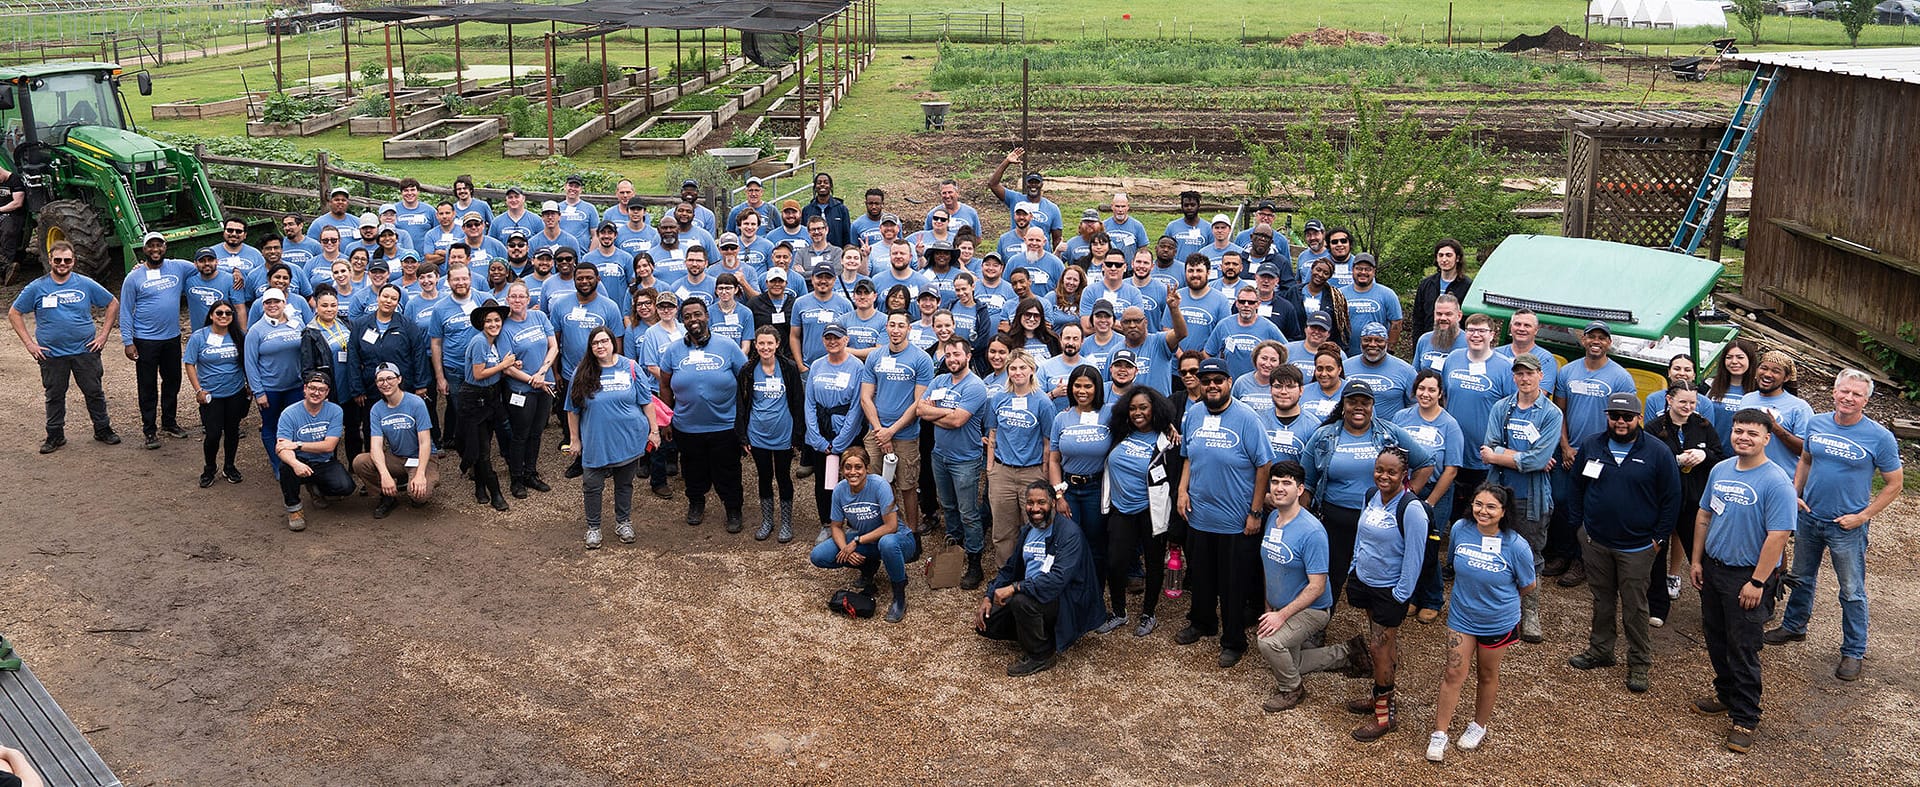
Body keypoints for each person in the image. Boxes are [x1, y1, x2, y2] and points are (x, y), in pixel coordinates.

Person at [1768, 368, 1904, 682]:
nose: (1848, 398)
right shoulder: (1816, 423)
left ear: (1866, 400)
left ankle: (1854, 651)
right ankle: (1794, 627)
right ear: (1834, 392)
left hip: (1847, 526)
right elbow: (1805, 459)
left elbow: (1894, 483)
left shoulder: (1879, 437)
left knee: (1852, 591)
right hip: (1810, 517)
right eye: (1844, 391)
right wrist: (1795, 492)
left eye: (1857, 394)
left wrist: (1864, 516)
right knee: (1801, 577)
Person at [1693, 408, 1796, 753]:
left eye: (1752, 433)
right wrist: (1696, 560)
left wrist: (1757, 582)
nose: (1743, 438)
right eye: (1739, 431)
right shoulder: (1721, 469)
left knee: (1744, 646)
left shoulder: (1776, 480)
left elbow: (1778, 536)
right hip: (1714, 568)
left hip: (1747, 576)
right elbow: (1705, 514)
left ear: (1767, 438)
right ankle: (1725, 694)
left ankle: (1745, 717)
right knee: (1716, 637)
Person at [1565, 391, 1680, 694]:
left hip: (1638, 547)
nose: (1620, 421)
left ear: (1638, 418)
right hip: (1596, 541)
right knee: (1602, 600)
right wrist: (1579, 526)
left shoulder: (1657, 452)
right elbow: (1575, 485)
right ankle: (1601, 650)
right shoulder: (1592, 445)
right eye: (1614, 415)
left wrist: (1658, 539)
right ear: (1608, 417)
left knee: (1635, 607)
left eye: (1627, 416)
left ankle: (1639, 663)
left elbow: (1672, 500)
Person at [1175, 358, 1276, 668]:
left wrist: (1255, 512)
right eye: (1207, 381)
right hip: (1200, 512)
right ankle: (1203, 622)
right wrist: (1182, 490)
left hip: (1235, 518)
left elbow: (1264, 465)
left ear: (1230, 382)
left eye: (1219, 380)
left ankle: (1233, 639)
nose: (1212, 385)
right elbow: (1188, 456)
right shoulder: (1193, 414)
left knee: (1233, 584)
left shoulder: (1247, 418)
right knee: (1201, 574)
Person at [1427, 483, 1536, 761]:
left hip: (1497, 622)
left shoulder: (1517, 546)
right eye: (1478, 504)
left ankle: (1478, 725)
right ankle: (1439, 734)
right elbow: (1453, 564)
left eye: (1490, 507)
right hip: (1462, 618)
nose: (1482, 511)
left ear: (1503, 511)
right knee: (1453, 673)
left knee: (1487, 675)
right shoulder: (1461, 529)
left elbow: (1528, 584)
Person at [1301, 380, 1434, 600]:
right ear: (1343, 404)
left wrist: (1405, 500)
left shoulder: (1390, 434)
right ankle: (1320, 624)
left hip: (1380, 523)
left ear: (1373, 405)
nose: (1358, 407)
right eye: (1352, 402)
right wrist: (1304, 519)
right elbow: (1307, 482)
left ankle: (1378, 630)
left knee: (1376, 582)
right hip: (1335, 519)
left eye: (1365, 402)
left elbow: (1426, 463)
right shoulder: (1323, 435)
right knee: (1330, 575)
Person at [1255, 460, 1368, 713]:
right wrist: (1268, 604)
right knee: (1291, 660)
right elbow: (1269, 565)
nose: (1279, 488)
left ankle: (1292, 688)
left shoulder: (1312, 532)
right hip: (1280, 605)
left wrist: (1280, 616)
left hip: (1312, 610)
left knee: (1269, 643)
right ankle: (1348, 652)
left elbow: (1317, 587)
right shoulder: (1273, 517)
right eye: (1275, 482)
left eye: (1287, 483)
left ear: (1300, 489)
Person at [975, 480, 1106, 676]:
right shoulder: (1028, 530)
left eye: (1041, 502)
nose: (1035, 508)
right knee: (988, 623)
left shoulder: (1070, 534)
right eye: (1030, 503)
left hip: (1063, 598)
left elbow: (1057, 580)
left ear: (1053, 503)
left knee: (1021, 601)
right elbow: (1010, 568)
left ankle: (1041, 655)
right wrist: (989, 595)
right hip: (1033, 590)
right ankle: (1040, 632)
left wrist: (1015, 588)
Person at [1344, 446, 1430, 742]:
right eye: (1380, 469)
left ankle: (1384, 716)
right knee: (1380, 644)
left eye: (1392, 472)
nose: (1384, 476)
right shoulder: (1370, 496)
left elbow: (1414, 557)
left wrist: (1400, 594)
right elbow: (1360, 535)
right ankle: (1383, 697)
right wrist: (1354, 566)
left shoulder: (1412, 509)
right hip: (1366, 581)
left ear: (1404, 475)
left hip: (1389, 591)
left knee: (1380, 648)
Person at [1548, 321, 1639, 589]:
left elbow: (1623, 420)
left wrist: (1605, 453)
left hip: (1601, 454)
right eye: (1591, 337)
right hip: (1569, 450)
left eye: (1602, 337)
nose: (1596, 341)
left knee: (1591, 508)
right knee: (1561, 502)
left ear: (1609, 343)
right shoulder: (1567, 372)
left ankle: (1581, 560)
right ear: (1584, 340)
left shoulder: (1620, 377)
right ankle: (1560, 553)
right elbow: (1559, 413)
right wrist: (1564, 446)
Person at [1479, 353, 1562, 644]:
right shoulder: (1502, 407)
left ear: (1541, 375)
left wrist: (1504, 455)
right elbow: (1488, 447)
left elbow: (1539, 460)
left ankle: (1530, 612)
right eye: (1519, 374)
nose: (1524, 378)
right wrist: (1523, 458)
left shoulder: (1552, 414)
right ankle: (1497, 608)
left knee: (1530, 554)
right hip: (1497, 493)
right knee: (1494, 550)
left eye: (1529, 373)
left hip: (1532, 496)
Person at [10, 241, 120, 452]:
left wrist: (104, 335)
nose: (62, 264)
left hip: (85, 351)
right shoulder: (37, 287)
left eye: (67, 260)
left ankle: (102, 429)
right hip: (51, 355)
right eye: (58, 260)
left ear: (73, 261)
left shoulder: (85, 284)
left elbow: (112, 303)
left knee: (94, 391)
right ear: (50, 260)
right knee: (54, 395)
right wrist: (30, 345)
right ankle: (55, 435)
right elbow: (14, 313)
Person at [659, 299, 751, 531]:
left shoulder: (728, 346)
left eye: (697, 314)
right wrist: (666, 419)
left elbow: (746, 379)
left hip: (724, 425)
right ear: (683, 320)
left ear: (707, 316)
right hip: (687, 426)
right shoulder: (673, 350)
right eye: (688, 316)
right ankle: (696, 503)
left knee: (728, 470)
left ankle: (733, 509)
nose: (693, 320)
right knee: (692, 470)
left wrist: (744, 419)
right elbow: (665, 385)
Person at [566, 326, 661, 549]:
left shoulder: (630, 366)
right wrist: (575, 439)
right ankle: (593, 527)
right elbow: (572, 409)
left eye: (604, 341)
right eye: (595, 343)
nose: (600, 346)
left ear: (612, 342)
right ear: (590, 347)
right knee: (592, 484)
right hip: (596, 440)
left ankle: (623, 522)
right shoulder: (582, 371)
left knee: (624, 483)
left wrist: (654, 431)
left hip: (629, 437)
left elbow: (646, 402)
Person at [1100, 385, 1179, 637]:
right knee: (1115, 561)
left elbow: (1174, 481)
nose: (1137, 413)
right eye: (1132, 408)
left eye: (1143, 407)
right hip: (1121, 509)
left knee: (1154, 563)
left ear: (1154, 408)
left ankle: (1148, 614)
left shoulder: (1167, 440)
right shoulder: (1120, 433)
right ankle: (1120, 612)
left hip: (1151, 512)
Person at [1645, 381, 1724, 627]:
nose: (1688, 407)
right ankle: (1657, 607)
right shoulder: (1653, 428)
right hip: (1662, 501)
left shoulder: (1703, 425)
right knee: (1657, 553)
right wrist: (1673, 460)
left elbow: (1720, 456)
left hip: (1694, 501)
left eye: (1692, 402)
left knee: (1699, 552)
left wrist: (1705, 455)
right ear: (1669, 400)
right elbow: (1645, 462)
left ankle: (1712, 610)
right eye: (1683, 402)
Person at [811, 445, 919, 622]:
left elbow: (891, 526)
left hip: (899, 540)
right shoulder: (840, 490)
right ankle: (868, 567)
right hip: (866, 541)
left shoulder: (879, 485)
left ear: (867, 468)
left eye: (858, 467)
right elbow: (836, 526)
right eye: (848, 467)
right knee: (819, 555)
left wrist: (857, 542)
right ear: (841, 469)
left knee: (887, 543)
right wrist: (846, 548)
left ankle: (899, 597)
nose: (853, 472)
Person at [1394, 369, 1465, 624]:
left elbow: (1452, 469)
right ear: (1415, 391)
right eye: (1421, 389)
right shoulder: (1402, 417)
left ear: (1440, 393)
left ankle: (1432, 598)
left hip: (1437, 493)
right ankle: (1411, 596)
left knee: (1428, 547)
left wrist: (1431, 501)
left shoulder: (1450, 424)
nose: (1425, 394)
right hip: (1406, 490)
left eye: (1431, 389)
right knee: (1406, 545)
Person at [920, 335, 991, 574]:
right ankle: (955, 541)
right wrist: (945, 412)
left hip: (966, 460)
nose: (951, 359)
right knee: (948, 505)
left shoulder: (975, 386)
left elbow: (958, 420)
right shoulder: (939, 380)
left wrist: (936, 411)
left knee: (968, 512)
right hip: (939, 456)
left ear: (968, 356)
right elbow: (920, 409)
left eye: (957, 354)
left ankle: (974, 558)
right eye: (948, 355)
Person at [861, 310, 936, 534]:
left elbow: (918, 403)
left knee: (907, 485)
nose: (896, 330)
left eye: (901, 325)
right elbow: (865, 397)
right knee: (877, 484)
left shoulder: (921, 359)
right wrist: (879, 430)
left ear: (909, 328)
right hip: (875, 432)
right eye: (892, 325)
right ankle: (887, 526)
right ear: (886, 327)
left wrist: (891, 431)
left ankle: (911, 532)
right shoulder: (875, 356)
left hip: (905, 434)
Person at [119, 232, 197, 447]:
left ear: (165, 246)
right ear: (144, 249)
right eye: (151, 246)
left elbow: (206, 264)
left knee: (173, 381)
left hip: (172, 338)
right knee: (147, 385)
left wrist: (236, 271)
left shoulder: (178, 267)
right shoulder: (134, 277)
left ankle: (169, 423)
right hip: (145, 340)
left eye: (159, 245)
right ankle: (149, 430)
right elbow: (125, 310)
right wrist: (128, 341)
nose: (155, 249)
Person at [1048, 365, 1112, 620]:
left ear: (1097, 388)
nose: (1082, 391)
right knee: (1070, 543)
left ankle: (1094, 598)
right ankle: (1071, 594)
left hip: (1097, 488)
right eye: (1077, 385)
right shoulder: (1061, 418)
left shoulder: (1108, 414)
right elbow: (1053, 460)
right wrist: (1058, 495)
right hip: (1069, 490)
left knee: (1097, 545)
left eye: (1088, 386)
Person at [737, 325, 803, 542]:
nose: (765, 347)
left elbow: (797, 401)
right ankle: (767, 520)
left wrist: (797, 435)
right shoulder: (747, 371)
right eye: (761, 343)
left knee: (783, 476)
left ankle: (786, 522)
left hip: (783, 431)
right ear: (755, 345)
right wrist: (743, 436)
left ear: (777, 344)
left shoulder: (789, 368)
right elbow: (742, 404)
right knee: (764, 476)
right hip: (757, 433)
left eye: (769, 343)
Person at [802, 322, 866, 537]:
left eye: (837, 337)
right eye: (828, 338)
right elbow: (809, 403)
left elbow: (857, 407)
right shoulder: (817, 365)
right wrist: (817, 439)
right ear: (823, 340)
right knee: (824, 480)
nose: (832, 342)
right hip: (821, 432)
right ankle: (828, 524)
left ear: (846, 340)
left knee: (853, 477)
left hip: (846, 434)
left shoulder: (857, 367)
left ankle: (854, 523)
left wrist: (840, 442)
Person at [353, 362, 437, 518]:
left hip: (421, 457)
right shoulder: (377, 409)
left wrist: (420, 474)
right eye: (380, 380)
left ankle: (418, 479)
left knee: (419, 496)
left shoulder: (416, 403)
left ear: (399, 379)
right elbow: (376, 446)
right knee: (360, 462)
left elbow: (425, 442)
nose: (385, 383)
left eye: (389, 378)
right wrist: (385, 475)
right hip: (397, 457)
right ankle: (387, 496)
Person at [500, 282, 559, 498]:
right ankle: (516, 478)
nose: (517, 300)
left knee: (536, 432)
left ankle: (531, 473)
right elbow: (507, 367)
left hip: (545, 384)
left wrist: (542, 373)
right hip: (520, 390)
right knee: (520, 434)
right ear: (507, 300)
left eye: (521, 296)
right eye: (513, 296)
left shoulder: (540, 317)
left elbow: (553, 346)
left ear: (528, 299)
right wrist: (532, 380)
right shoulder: (504, 328)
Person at [275, 372, 352, 532]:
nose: (316, 393)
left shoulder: (335, 411)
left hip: (324, 461)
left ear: (327, 392)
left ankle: (316, 487)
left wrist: (297, 444)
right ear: (305, 388)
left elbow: (329, 446)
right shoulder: (289, 413)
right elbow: (282, 448)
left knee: (346, 487)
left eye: (321, 389)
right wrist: (296, 463)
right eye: (312, 388)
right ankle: (294, 509)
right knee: (286, 467)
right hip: (300, 460)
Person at [459, 299, 516, 511]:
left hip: (492, 397)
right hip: (475, 400)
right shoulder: (480, 341)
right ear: (482, 323)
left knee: (485, 444)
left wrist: (508, 364)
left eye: (497, 320)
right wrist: (503, 365)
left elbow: (492, 366)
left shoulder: (494, 342)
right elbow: (478, 373)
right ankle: (496, 493)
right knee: (482, 449)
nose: (494, 324)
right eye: (489, 321)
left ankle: (480, 488)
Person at [184, 300, 248, 487]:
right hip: (211, 395)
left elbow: (246, 361)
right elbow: (189, 363)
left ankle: (230, 466)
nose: (224, 316)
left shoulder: (238, 336)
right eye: (219, 313)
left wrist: (248, 385)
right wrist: (198, 390)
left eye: (228, 313)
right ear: (211, 315)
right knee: (212, 434)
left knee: (232, 432)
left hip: (235, 392)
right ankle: (209, 468)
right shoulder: (199, 337)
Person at [245, 288, 306, 478]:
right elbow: (250, 363)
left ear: (284, 303)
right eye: (268, 302)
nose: (272, 305)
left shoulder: (297, 324)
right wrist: (258, 392)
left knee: (294, 426)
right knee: (271, 426)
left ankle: (294, 459)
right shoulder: (256, 330)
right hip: (270, 388)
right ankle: (278, 463)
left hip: (295, 386)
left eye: (276, 301)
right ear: (263, 306)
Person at [299, 288, 365, 457]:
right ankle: (331, 467)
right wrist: (317, 391)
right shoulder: (310, 332)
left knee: (353, 428)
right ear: (317, 307)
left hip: (350, 385)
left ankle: (355, 464)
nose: (329, 309)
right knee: (330, 430)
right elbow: (307, 367)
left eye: (333, 305)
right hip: (329, 389)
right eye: (324, 305)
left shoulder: (346, 323)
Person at [1736, 351, 1812, 477]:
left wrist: (1775, 428)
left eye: (1776, 371)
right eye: (1763, 368)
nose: (1767, 374)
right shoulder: (1746, 399)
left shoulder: (1799, 407)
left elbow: (1806, 451)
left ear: (1786, 378)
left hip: (1783, 479)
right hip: (1747, 475)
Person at [1207, 284, 1287, 378]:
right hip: (1229, 386)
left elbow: (1286, 352)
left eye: (1251, 302)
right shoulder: (1224, 325)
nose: (1246, 305)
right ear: (1236, 303)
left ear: (1258, 304)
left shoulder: (1269, 327)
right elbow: (1208, 353)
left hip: (1257, 386)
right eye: (1242, 301)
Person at [1345, 322, 1417, 419]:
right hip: (1352, 429)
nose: (1372, 344)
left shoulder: (1406, 371)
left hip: (1391, 431)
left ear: (1387, 342)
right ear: (1360, 341)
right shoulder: (1345, 366)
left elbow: (1415, 405)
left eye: (1379, 340)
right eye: (1367, 340)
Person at [1705, 338, 1760, 456]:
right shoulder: (1710, 385)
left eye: (1740, 357)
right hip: (1713, 455)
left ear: (1750, 360)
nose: (1734, 361)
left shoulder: (1759, 390)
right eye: (1729, 357)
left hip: (1745, 456)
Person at [1410, 239, 1472, 341]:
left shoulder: (1467, 286)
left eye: (1448, 255)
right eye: (1441, 255)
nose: (1444, 259)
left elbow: (1469, 320)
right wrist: (1418, 345)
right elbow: (1418, 320)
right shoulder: (1426, 284)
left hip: (1456, 341)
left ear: (1457, 258)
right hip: (1429, 340)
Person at [1299, 258, 1350, 352]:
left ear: (1329, 277)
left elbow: (1341, 330)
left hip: (1324, 348)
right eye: (1318, 270)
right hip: (1297, 344)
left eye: (1326, 273)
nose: (1320, 274)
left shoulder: (1335, 298)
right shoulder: (1294, 292)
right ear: (1312, 269)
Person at [1642, 353, 1697, 422]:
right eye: (1677, 369)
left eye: (1687, 370)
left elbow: (1707, 431)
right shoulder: (1653, 399)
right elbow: (1649, 430)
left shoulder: (1706, 404)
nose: (1682, 373)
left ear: (1694, 375)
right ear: (1669, 372)